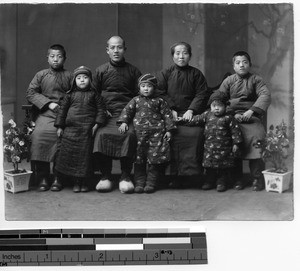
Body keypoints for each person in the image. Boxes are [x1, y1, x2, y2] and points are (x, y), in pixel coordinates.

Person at [155, 41, 210, 188]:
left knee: (196, 134)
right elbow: (160, 93)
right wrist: (170, 109)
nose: (181, 56)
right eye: (177, 53)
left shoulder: (196, 74)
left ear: (190, 56)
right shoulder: (164, 74)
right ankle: (174, 176)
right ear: (172, 56)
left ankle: (193, 176)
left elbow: (201, 94)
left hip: (190, 115)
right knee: (171, 135)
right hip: (170, 114)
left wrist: (191, 110)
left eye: (185, 53)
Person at [93, 36, 142, 193]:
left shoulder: (133, 71)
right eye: (112, 48)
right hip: (106, 113)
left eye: (119, 47)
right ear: (107, 50)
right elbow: (93, 95)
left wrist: (130, 113)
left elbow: (139, 96)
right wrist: (101, 109)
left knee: (129, 135)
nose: (116, 51)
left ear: (124, 50)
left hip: (127, 113)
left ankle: (125, 176)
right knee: (100, 135)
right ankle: (105, 176)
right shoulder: (100, 71)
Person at [218, 51, 271, 191]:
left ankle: (257, 179)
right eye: (238, 63)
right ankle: (237, 179)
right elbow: (218, 99)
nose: (241, 65)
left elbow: (265, 95)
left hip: (251, 116)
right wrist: (230, 113)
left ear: (250, 64)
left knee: (258, 137)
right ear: (234, 66)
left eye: (245, 62)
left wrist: (251, 111)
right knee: (229, 138)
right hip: (232, 117)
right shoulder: (228, 81)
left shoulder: (256, 80)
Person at [117, 74, 177, 193]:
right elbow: (127, 111)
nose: (146, 88)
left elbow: (167, 116)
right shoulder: (135, 100)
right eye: (143, 86)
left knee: (154, 159)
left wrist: (169, 130)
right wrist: (124, 122)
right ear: (139, 88)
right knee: (139, 159)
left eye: (149, 86)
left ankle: (151, 183)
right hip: (140, 135)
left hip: (157, 134)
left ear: (154, 88)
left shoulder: (160, 101)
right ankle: (139, 183)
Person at [26, 44, 72, 192]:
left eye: (59, 56)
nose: (56, 59)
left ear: (64, 58)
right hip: (46, 113)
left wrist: (64, 107)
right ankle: (44, 177)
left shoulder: (70, 76)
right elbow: (31, 93)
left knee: (64, 139)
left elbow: (77, 94)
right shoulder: (41, 75)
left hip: (66, 114)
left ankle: (59, 177)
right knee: (39, 136)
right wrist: (49, 104)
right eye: (52, 56)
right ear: (48, 58)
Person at [54, 66, 106, 192]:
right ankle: (74, 182)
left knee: (84, 157)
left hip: (87, 130)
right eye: (79, 78)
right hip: (70, 130)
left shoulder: (95, 95)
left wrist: (96, 125)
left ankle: (84, 182)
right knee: (68, 155)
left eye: (85, 77)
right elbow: (62, 112)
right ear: (74, 81)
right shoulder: (69, 95)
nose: (82, 80)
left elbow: (101, 111)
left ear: (90, 80)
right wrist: (60, 126)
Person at [179, 91, 243, 192]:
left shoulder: (229, 118)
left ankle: (221, 182)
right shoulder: (207, 115)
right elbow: (196, 119)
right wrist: (183, 119)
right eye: (214, 106)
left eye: (219, 106)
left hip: (224, 149)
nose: (216, 108)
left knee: (223, 167)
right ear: (210, 106)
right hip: (209, 148)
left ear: (225, 106)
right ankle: (209, 181)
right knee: (209, 167)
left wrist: (236, 144)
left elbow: (236, 132)